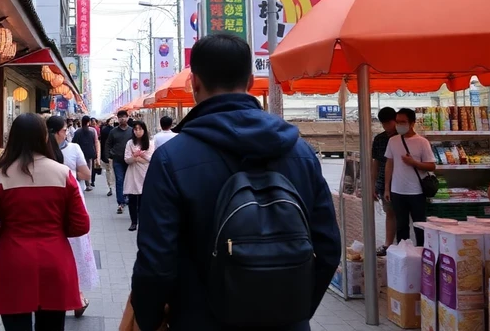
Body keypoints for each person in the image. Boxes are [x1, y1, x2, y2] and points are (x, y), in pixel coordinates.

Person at [131, 34, 341, 330]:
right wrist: (297, 310)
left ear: (194, 83)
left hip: (199, 319)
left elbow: (156, 262)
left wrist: (149, 318)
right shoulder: (301, 153)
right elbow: (329, 247)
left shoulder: (171, 159)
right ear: (252, 81)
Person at [0, 113, 90, 331]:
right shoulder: (63, 173)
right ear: (43, 137)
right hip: (55, 258)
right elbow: (81, 225)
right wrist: (57, 231)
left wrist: (8, 235)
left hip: (13, 260)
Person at [47, 116, 98, 318]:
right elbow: (86, 174)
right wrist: (70, 174)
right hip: (69, 203)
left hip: (54, 207)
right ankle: (77, 296)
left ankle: (72, 296)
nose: (66, 133)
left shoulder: (41, 153)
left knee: (60, 250)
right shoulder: (72, 149)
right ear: (56, 132)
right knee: (73, 249)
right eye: (64, 130)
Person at [384, 107, 436, 247]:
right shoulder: (393, 141)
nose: (399, 125)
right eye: (397, 122)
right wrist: (387, 188)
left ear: (412, 123)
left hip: (417, 192)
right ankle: (403, 254)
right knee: (401, 227)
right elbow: (389, 164)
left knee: (419, 226)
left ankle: (422, 254)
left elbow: (431, 166)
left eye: (403, 122)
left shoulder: (422, 142)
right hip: (397, 191)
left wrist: (414, 163)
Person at [372, 107, 398, 256]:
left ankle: (404, 242)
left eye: (389, 123)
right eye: (383, 124)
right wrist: (373, 184)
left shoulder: (404, 137)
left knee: (404, 213)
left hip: (404, 181)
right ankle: (388, 244)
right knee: (390, 212)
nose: (386, 127)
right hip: (384, 182)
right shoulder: (380, 139)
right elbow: (375, 162)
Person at [124, 120, 153, 232]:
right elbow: (127, 159)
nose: (138, 131)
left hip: (144, 173)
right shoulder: (130, 143)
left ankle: (143, 221)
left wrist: (139, 157)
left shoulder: (150, 143)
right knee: (132, 199)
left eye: (140, 129)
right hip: (133, 173)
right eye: (135, 129)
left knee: (143, 199)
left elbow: (150, 159)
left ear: (144, 130)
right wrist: (134, 157)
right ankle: (133, 222)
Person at [104, 110, 134, 214]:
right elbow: (108, 144)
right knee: (120, 180)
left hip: (130, 160)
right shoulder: (113, 131)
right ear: (117, 118)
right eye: (120, 117)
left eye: (124, 116)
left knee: (129, 180)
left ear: (127, 117)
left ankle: (129, 198)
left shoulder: (132, 131)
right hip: (117, 160)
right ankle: (120, 202)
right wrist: (108, 156)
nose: (122, 119)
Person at [72, 116, 99, 191]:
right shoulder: (91, 132)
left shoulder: (77, 132)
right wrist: (96, 153)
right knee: (88, 168)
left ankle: (79, 182)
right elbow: (94, 143)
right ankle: (88, 184)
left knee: (79, 168)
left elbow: (73, 142)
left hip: (80, 153)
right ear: (88, 122)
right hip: (89, 153)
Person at [99, 118, 115, 197]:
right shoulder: (114, 131)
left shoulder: (104, 130)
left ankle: (111, 187)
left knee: (109, 171)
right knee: (112, 171)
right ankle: (112, 186)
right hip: (113, 154)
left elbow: (102, 143)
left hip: (107, 154)